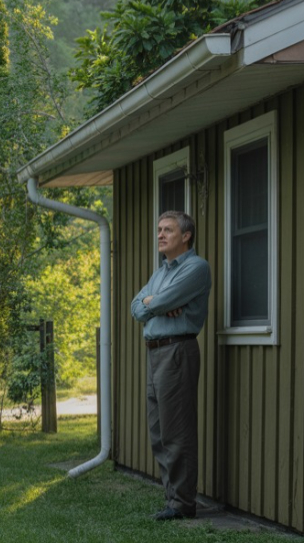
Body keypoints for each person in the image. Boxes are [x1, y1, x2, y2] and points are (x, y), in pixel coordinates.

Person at [130, 210, 211, 520]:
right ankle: (172, 499)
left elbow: (158, 303)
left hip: (177, 351)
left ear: (186, 235)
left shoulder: (196, 268)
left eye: (168, 230)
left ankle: (181, 505)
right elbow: (136, 308)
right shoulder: (161, 272)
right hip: (155, 352)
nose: (160, 235)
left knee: (177, 431)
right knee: (158, 431)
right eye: (159, 229)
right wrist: (153, 303)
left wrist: (156, 302)